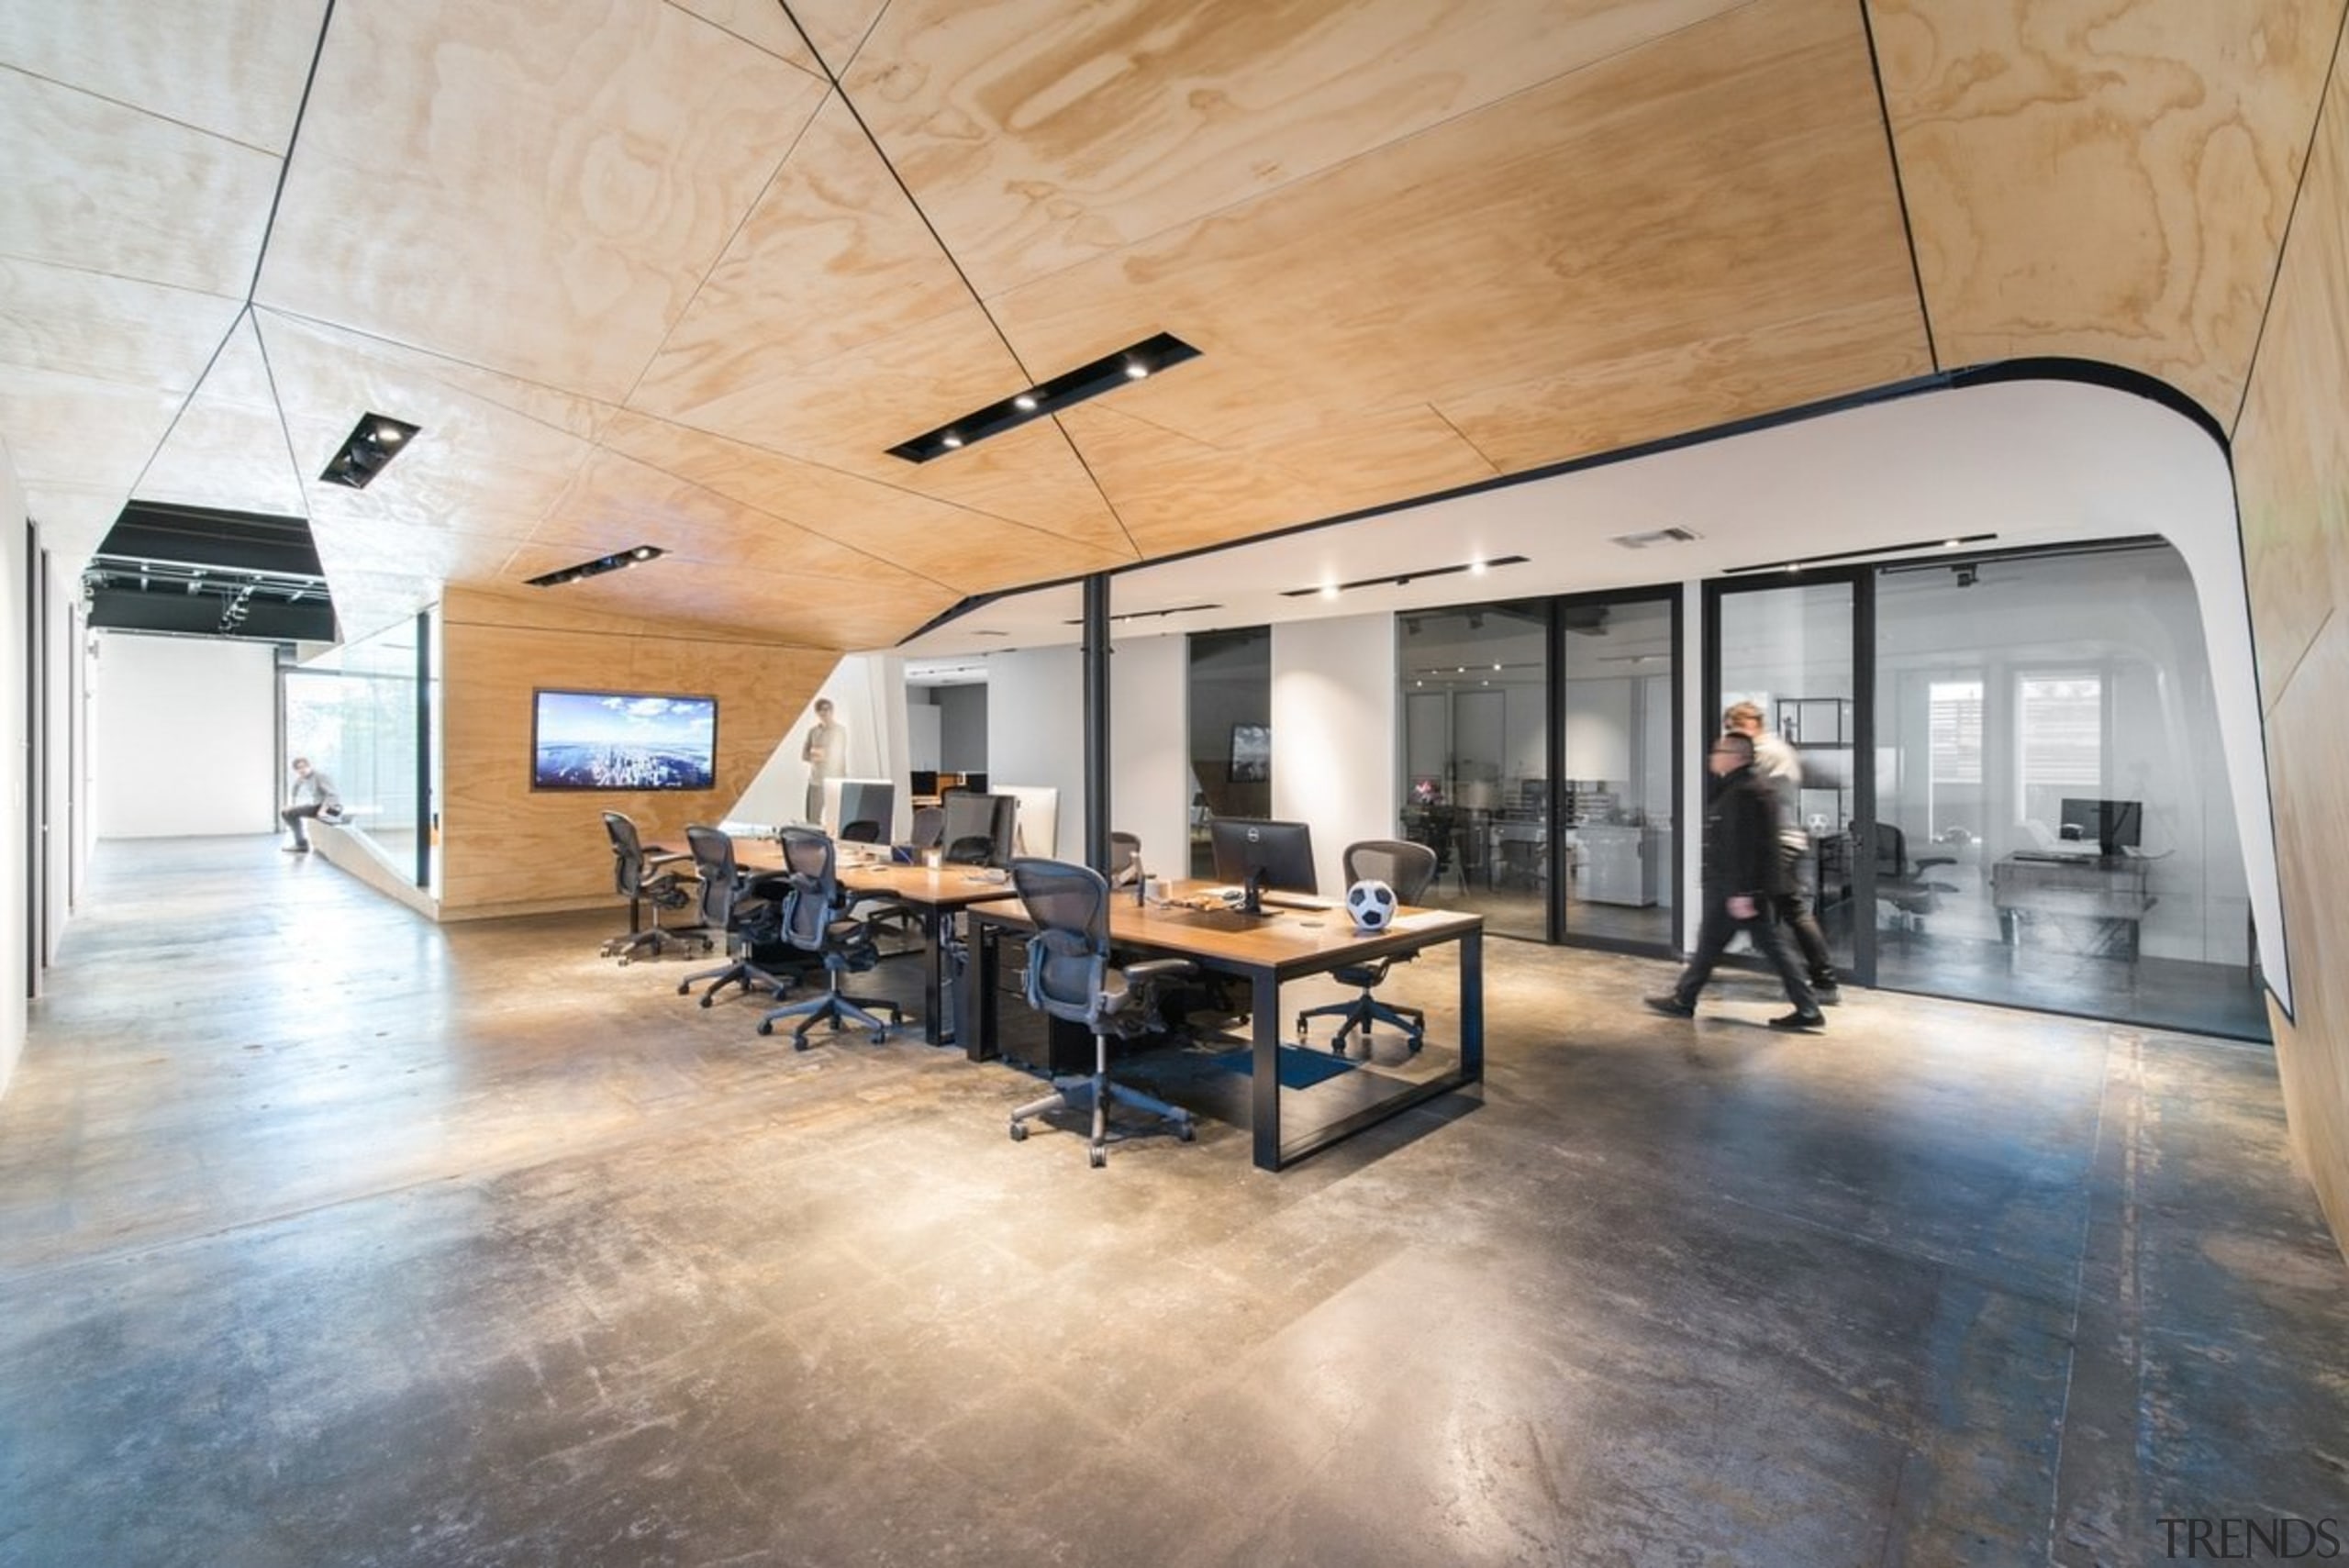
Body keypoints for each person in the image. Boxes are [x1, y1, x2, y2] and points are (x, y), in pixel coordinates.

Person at [1646, 731, 1825, 1031]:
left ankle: (1807, 1007)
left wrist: (1743, 893)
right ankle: (1685, 998)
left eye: (1719, 751)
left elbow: (1746, 848)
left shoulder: (1743, 792)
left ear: (1737, 756)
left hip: (1736, 892)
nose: (1712, 756)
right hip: (1737, 890)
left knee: (1758, 948)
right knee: (1714, 947)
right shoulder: (1744, 789)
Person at [1724, 700, 1842, 1004]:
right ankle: (1814, 979)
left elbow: (1747, 789)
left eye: (1733, 727)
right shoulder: (1773, 749)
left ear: (1750, 723)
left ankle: (1820, 981)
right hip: (1777, 839)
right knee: (1777, 913)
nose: (1730, 736)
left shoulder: (1766, 752)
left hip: (1777, 842)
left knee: (1785, 912)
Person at [801, 696, 846, 824]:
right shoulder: (813, 731)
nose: (824, 712)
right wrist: (819, 754)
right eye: (821, 710)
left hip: (835, 780)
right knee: (812, 818)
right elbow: (804, 755)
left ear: (832, 711)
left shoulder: (840, 730)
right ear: (817, 713)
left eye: (827, 709)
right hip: (816, 781)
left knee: (836, 818)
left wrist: (818, 753)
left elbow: (836, 754)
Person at [281, 757, 340, 853]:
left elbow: (333, 795)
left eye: (303, 767)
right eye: (298, 768)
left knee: (291, 813)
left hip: (330, 808)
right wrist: (292, 805)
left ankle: (301, 845)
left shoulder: (320, 776)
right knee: (286, 812)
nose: (301, 770)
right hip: (317, 806)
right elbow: (294, 791)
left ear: (309, 766)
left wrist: (323, 810)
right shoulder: (303, 778)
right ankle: (300, 843)